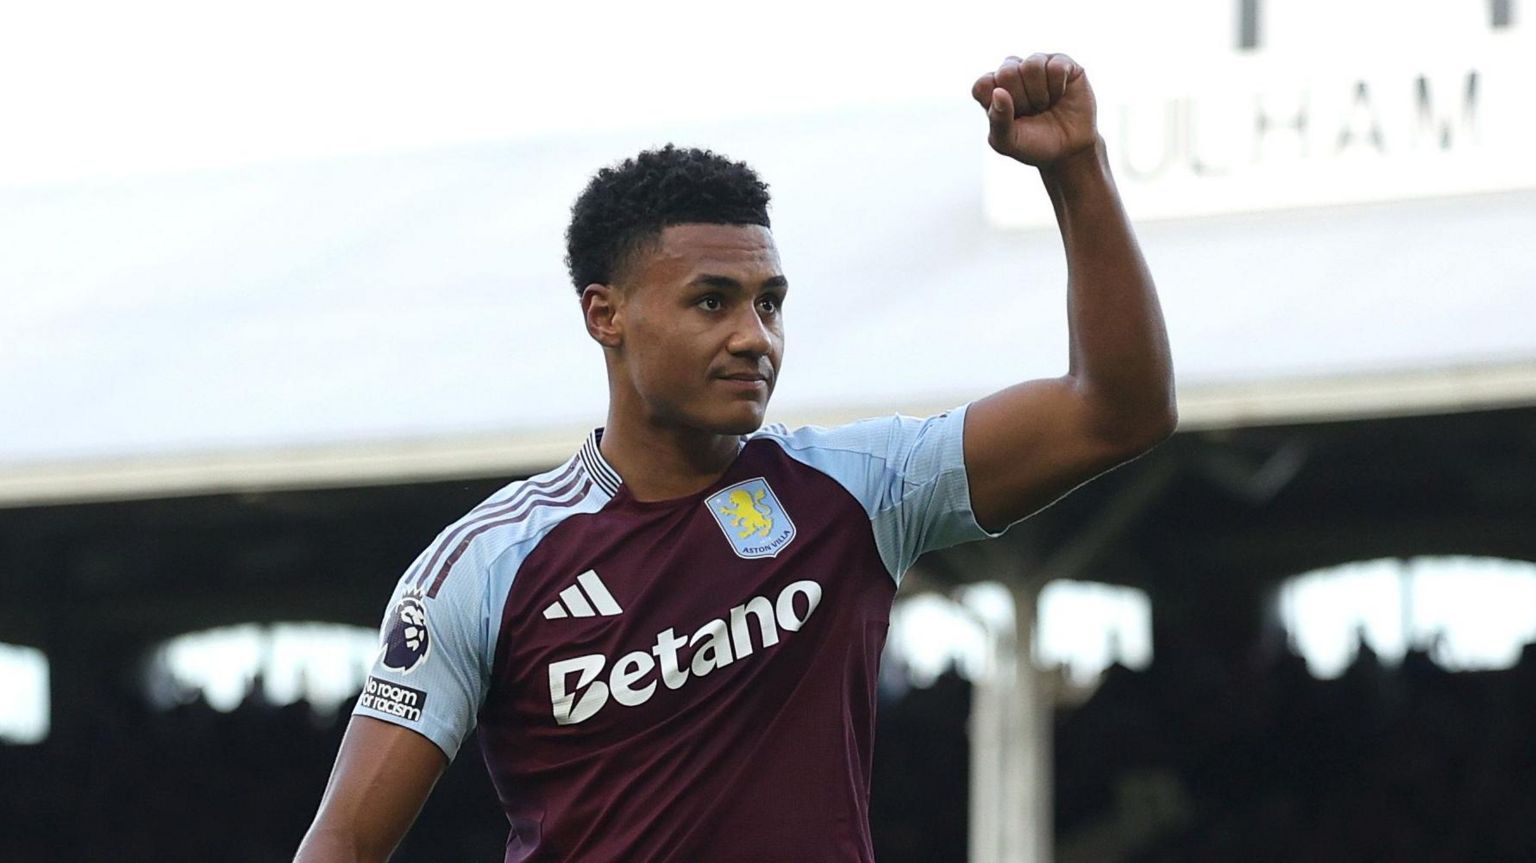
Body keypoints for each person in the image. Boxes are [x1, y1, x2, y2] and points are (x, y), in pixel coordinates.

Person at [295, 51, 1176, 862]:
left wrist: (1076, 169)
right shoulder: (485, 565)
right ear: (606, 314)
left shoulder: (858, 489)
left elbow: (1117, 410)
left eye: (771, 303)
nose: (755, 337)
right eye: (711, 301)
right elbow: (342, 843)